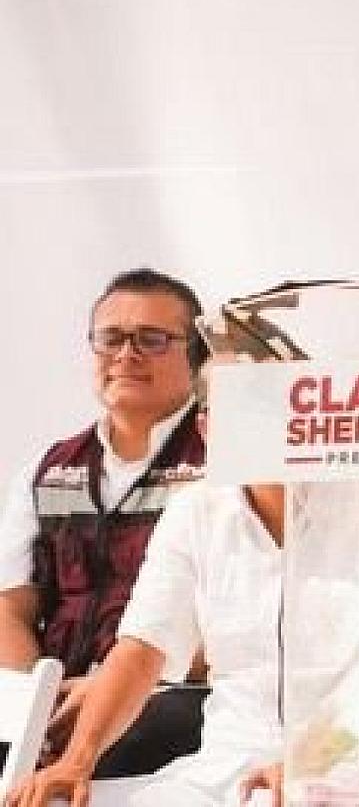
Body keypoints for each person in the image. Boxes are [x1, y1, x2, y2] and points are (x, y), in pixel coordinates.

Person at [0, 268, 209, 778]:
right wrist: (35, 698)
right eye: (111, 338)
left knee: (136, 734)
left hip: (169, 693)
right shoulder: (48, 469)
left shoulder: (225, 464)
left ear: (197, 356)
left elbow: (248, 616)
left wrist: (108, 692)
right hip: (51, 691)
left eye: (152, 339)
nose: (126, 354)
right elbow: (9, 609)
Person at [4, 471, 286, 807]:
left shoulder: (348, 506)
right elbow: (141, 648)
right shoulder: (195, 507)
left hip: (329, 771)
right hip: (219, 769)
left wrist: (314, 765)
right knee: (49, 803)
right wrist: (75, 763)